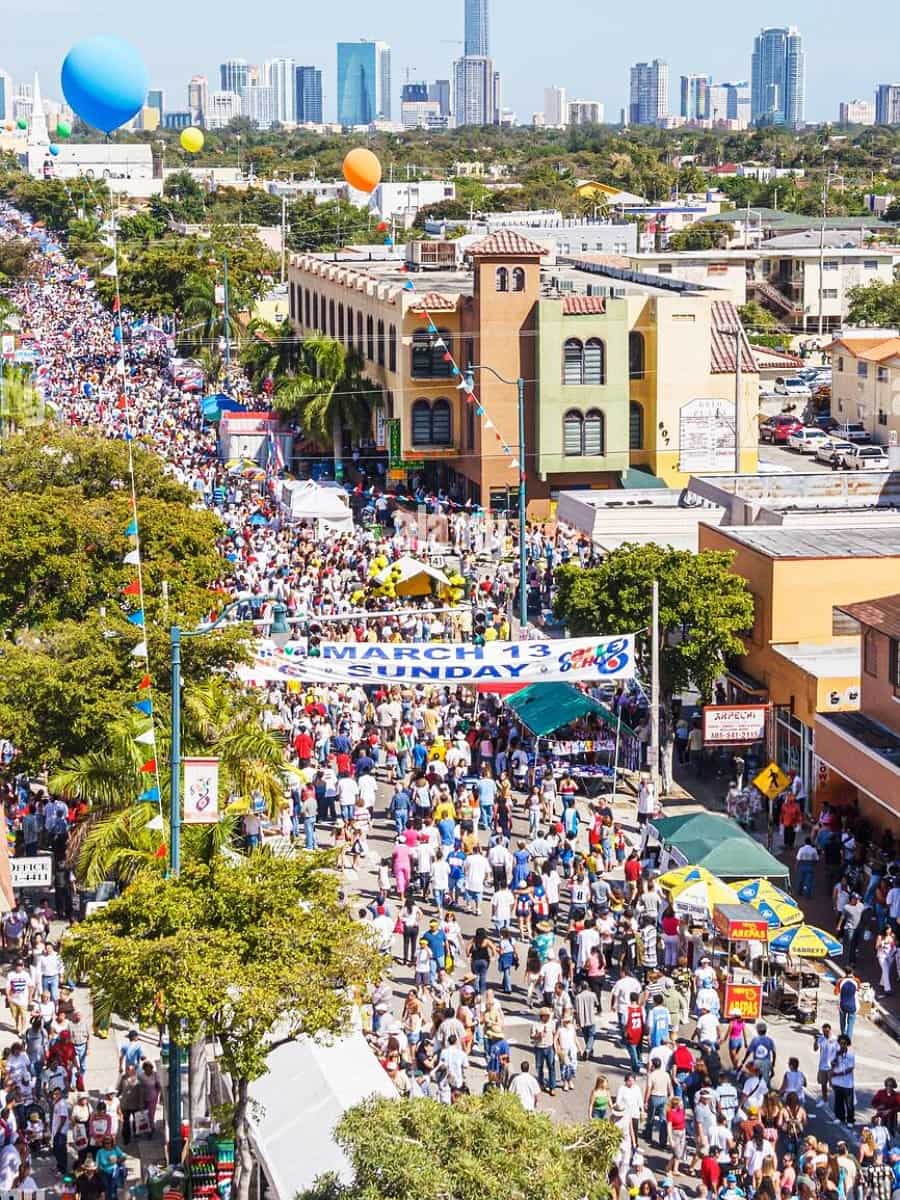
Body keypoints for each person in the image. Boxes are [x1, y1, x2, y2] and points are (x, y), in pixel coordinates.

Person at [529, 1007, 557, 1095]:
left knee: (551, 1067)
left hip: (549, 1047)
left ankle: (552, 1087)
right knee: (539, 1067)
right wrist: (538, 1035)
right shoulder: (536, 1025)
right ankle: (541, 1084)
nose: (548, 1017)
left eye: (548, 1016)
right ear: (542, 1016)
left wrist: (557, 1047)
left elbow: (554, 1034)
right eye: (546, 1016)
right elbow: (531, 1036)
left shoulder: (552, 1024)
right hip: (539, 1048)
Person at [830, 1034, 856, 1125]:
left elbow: (850, 1068)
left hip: (847, 1083)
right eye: (841, 1043)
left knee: (849, 1104)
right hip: (837, 1082)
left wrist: (838, 1074)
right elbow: (832, 1065)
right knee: (838, 1101)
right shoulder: (836, 1053)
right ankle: (839, 1117)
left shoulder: (850, 1055)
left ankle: (850, 1120)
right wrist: (837, 1056)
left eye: (844, 1043)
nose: (842, 1045)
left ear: (847, 1044)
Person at [815, 1022, 839, 1101]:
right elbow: (815, 1049)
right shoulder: (821, 1039)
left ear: (830, 1030)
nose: (826, 1033)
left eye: (827, 1031)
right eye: (824, 1032)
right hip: (822, 1065)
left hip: (831, 1066)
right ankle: (825, 1098)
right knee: (823, 1084)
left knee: (834, 1084)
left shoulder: (835, 1040)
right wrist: (815, 1041)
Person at [835, 973, 860, 1040]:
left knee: (842, 1021)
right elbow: (858, 991)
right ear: (852, 972)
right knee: (850, 1023)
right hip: (852, 1006)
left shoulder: (840, 980)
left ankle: (843, 1035)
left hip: (842, 1005)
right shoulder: (857, 980)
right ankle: (848, 1039)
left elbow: (836, 993)